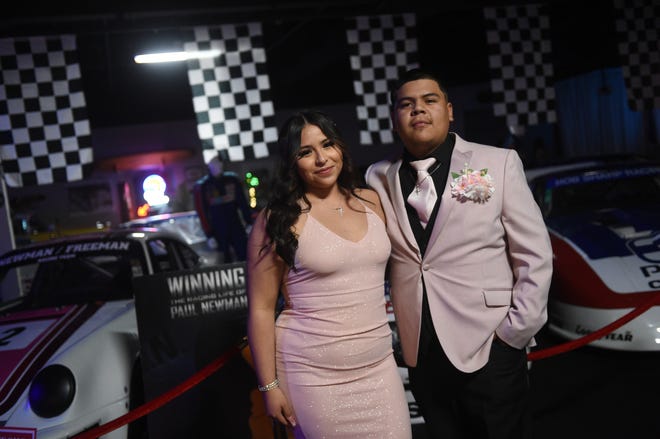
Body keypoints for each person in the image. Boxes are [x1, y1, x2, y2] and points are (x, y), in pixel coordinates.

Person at [365, 68, 553, 439]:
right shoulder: (376, 175)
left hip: (490, 347)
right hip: (422, 354)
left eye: (429, 101)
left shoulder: (497, 162)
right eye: (407, 104)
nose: (418, 110)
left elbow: (535, 255)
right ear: (395, 118)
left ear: (449, 110)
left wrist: (512, 334)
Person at [247, 110, 411, 439]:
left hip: (379, 368)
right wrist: (269, 387)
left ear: (340, 147)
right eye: (305, 152)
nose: (322, 158)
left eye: (327, 145)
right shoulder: (277, 218)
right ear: (291, 161)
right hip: (312, 378)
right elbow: (261, 309)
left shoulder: (371, 200)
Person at [193, 152, 254, 262]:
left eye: (220, 162)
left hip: (236, 225)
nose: (219, 165)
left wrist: (249, 222)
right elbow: (202, 213)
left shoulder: (232, 180)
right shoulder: (203, 186)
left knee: (245, 255)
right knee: (224, 260)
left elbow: (243, 203)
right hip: (218, 229)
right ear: (209, 165)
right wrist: (209, 234)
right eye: (215, 162)